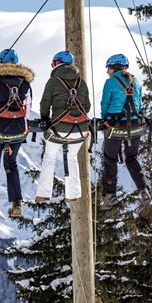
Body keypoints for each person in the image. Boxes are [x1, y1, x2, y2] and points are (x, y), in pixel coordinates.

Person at [0, 49, 34, 219]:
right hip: (18, 132)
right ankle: (17, 202)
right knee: (11, 164)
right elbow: (28, 110)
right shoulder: (25, 84)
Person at [36, 51, 91, 203]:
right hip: (81, 129)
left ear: (56, 63)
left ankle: (43, 194)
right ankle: (73, 194)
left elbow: (45, 103)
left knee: (49, 157)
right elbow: (87, 106)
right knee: (71, 158)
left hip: (59, 129)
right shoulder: (82, 82)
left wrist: (45, 120)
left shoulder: (53, 81)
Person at [99, 53, 150, 210]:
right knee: (132, 157)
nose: (107, 71)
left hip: (115, 125)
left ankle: (109, 196)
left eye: (108, 68)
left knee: (110, 159)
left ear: (114, 67)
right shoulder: (137, 82)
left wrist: (104, 121)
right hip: (136, 125)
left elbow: (105, 104)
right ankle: (143, 189)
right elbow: (139, 105)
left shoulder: (110, 82)